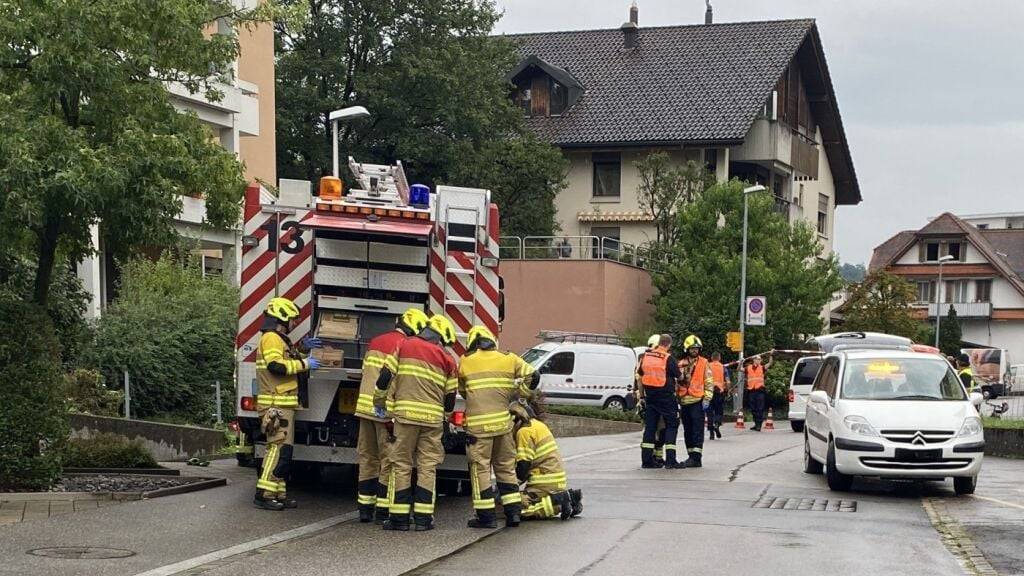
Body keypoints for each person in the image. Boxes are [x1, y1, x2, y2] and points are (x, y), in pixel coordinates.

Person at [375, 314, 459, 532]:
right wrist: (446, 417)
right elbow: (450, 396)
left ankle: (399, 519)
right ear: (439, 337)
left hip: (405, 416)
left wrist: (379, 401)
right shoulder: (447, 358)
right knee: (427, 466)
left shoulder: (404, 346)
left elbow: (385, 376)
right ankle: (423, 519)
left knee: (401, 464)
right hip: (432, 420)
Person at [458, 325, 538, 529]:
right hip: (503, 427)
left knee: (480, 470)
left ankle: (485, 518)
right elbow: (533, 375)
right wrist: (521, 394)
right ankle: (513, 515)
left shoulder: (466, 362)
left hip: (478, 430)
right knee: (505, 469)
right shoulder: (509, 358)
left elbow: (463, 390)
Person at [354, 308, 429, 524]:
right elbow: (393, 380)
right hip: (384, 411)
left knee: (367, 457)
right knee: (389, 460)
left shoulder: (376, 340)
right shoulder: (403, 347)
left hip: (364, 408)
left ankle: (365, 510)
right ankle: (383, 510)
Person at [254, 297, 321, 511]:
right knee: (276, 450)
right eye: (292, 319)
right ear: (282, 317)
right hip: (276, 405)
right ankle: (263, 495)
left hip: (282, 405)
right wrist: (304, 363)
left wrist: (301, 350)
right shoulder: (272, 338)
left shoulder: (279, 339)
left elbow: (284, 359)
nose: (294, 323)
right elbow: (276, 366)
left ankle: (278, 494)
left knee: (284, 452)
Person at [509, 397, 580, 520]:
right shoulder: (538, 425)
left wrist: (507, 487)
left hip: (543, 483)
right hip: (554, 480)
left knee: (513, 508)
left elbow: (523, 468)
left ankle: (558, 504)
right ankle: (570, 499)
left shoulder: (524, 432)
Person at [636, 334, 683, 469]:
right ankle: (670, 461)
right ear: (668, 345)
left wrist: (642, 397)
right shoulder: (668, 358)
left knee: (650, 428)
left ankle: (647, 461)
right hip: (666, 397)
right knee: (671, 425)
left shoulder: (646, 356)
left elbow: (640, 376)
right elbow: (679, 377)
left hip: (650, 397)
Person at [676, 335, 713, 467]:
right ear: (687, 349)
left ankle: (696, 458)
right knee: (688, 431)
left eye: (697, 348)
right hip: (684, 401)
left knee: (697, 430)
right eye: (692, 348)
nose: (695, 350)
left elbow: (709, 381)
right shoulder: (680, 364)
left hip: (698, 401)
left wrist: (707, 398)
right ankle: (690, 455)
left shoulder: (704, 363)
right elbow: (676, 383)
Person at [635, 334, 667, 466]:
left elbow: (639, 379)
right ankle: (652, 457)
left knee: (654, 429)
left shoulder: (644, 359)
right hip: (654, 399)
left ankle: (656, 457)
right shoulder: (650, 360)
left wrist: (641, 397)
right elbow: (639, 379)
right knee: (655, 429)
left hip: (646, 398)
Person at [745, 353, 773, 431]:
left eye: (760, 359)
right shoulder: (748, 368)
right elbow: (739, 369)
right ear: (754, 360)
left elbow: (770, 363)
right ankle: (756, 423)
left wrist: (771, 355)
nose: (759, 360)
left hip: (760, 391)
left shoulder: (762, 368)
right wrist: (741, 362)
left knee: (760, 408)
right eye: (758, 359)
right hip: (751, 391)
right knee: (753, 409)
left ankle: (759, 425)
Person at [707, 351, 728, 440]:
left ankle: (711, 433)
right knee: (719, 411)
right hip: (719, 392)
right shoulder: (723, 367)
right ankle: (717, 424)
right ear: (719, 358)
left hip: (709, 391)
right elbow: (727, 381)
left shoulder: (707, 366)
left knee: (709, 412)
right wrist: (727, 390)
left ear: (712, 358)